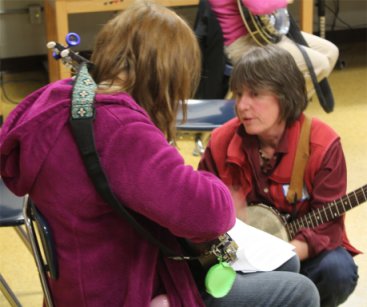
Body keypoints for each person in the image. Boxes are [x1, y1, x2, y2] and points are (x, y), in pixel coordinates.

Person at [0, 1, 320, 306]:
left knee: (286, 262)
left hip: (76, 284)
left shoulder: (62, 96)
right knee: (300, 291)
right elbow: (210, 214)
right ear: (167, 75)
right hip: (122, 293)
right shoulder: (122, 131)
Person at [198, 44, 359, 307]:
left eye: (255, 94)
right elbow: (199, 208)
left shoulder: (322, 145)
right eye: (238, 94)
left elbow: (327, 230)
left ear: (285, 95)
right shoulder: (221, 141)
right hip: (238, 260)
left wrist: (278, 258)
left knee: (337, 270)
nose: (242, 105)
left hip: (300, 253)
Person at [206, 0, 339, 99]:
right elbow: (259, 6)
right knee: (319, 64)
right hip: (244, 44)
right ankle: (276, 114)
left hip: (264, 34)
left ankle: (282, 113)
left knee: (330, 52)